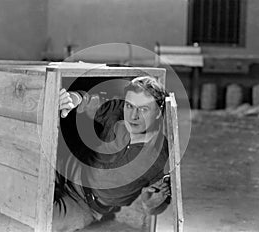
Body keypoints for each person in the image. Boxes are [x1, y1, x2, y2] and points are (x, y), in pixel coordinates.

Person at [54, 76, 171, 231]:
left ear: (158, 112)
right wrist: (72, 98)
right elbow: (88, 101)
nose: (133, 116)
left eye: (143, 109)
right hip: (67, 168)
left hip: (84, 204)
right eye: (130, 106)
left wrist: (151, 203)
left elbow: (153, 206)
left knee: (41, 219)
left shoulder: (160, 157)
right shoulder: (118, 111)